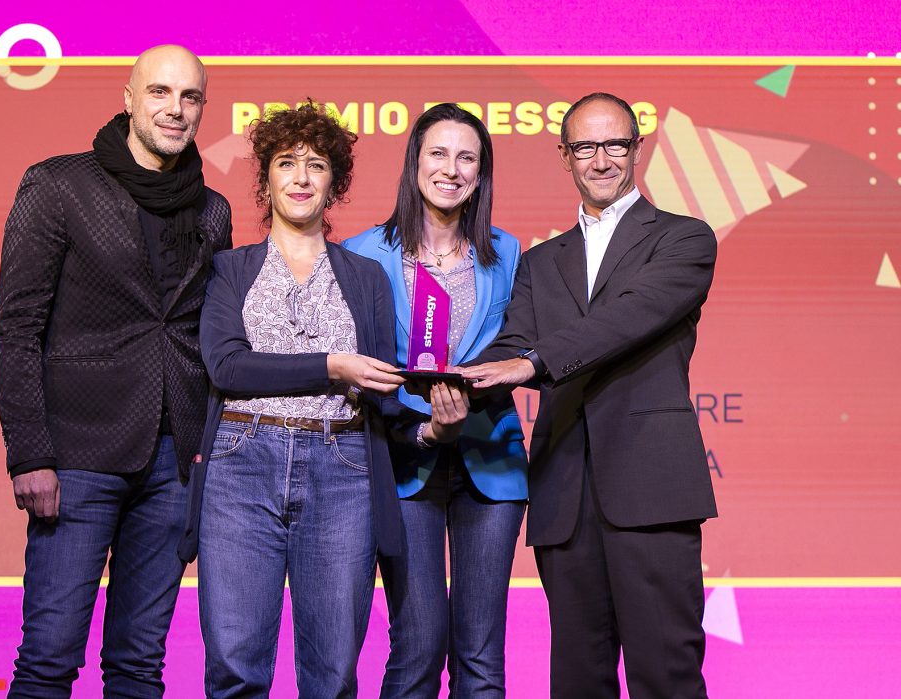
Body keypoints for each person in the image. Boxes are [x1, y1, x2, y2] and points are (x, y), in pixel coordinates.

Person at [178, 101, 468, 698]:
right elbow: (228, 366)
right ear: (265, 181)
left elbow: (384, 399)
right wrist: (332, 366)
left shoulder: (365, 277)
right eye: (286, 164)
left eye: (316, 165)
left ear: (334, 183)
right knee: (234, 668)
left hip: (343, 470)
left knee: (333, 674)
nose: (301, 178)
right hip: (240, 465)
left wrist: (433, 431)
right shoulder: (230, 269)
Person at [0, 45, 231, 697]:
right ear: (128, 99)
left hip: (172, 465)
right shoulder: (58, 184)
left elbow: (204, 337)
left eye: (190, 97)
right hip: (75, 457)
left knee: (138, 664)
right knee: (48, 659)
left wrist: (204, 455)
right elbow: (16, 328)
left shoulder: (213, 210)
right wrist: (29, 453)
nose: (175, 109)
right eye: (159, 92)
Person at [460, 92, 718, 698]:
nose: (601, 160)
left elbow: (625, 320)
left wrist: (531, 362)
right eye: (585, 147)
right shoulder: (540, 261)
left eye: (614, 145)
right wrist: (450, 381)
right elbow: (512, 343)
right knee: (577, 680)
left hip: (652, 489)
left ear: (637, 149)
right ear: (565, 156)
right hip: (564, 493)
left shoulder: (684, 239)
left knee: (667, 675)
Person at [343, 102, 528, 697]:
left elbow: (520, 346)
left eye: (466, 157)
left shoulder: (507, 252)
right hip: (403, 463)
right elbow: (355, 369)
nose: (451, 169)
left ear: (481, 172)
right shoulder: (361, 253)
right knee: (418, 646)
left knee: (481, 656)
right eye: (438, 153)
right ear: (414, 162)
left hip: (491, 462)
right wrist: (424, 426)